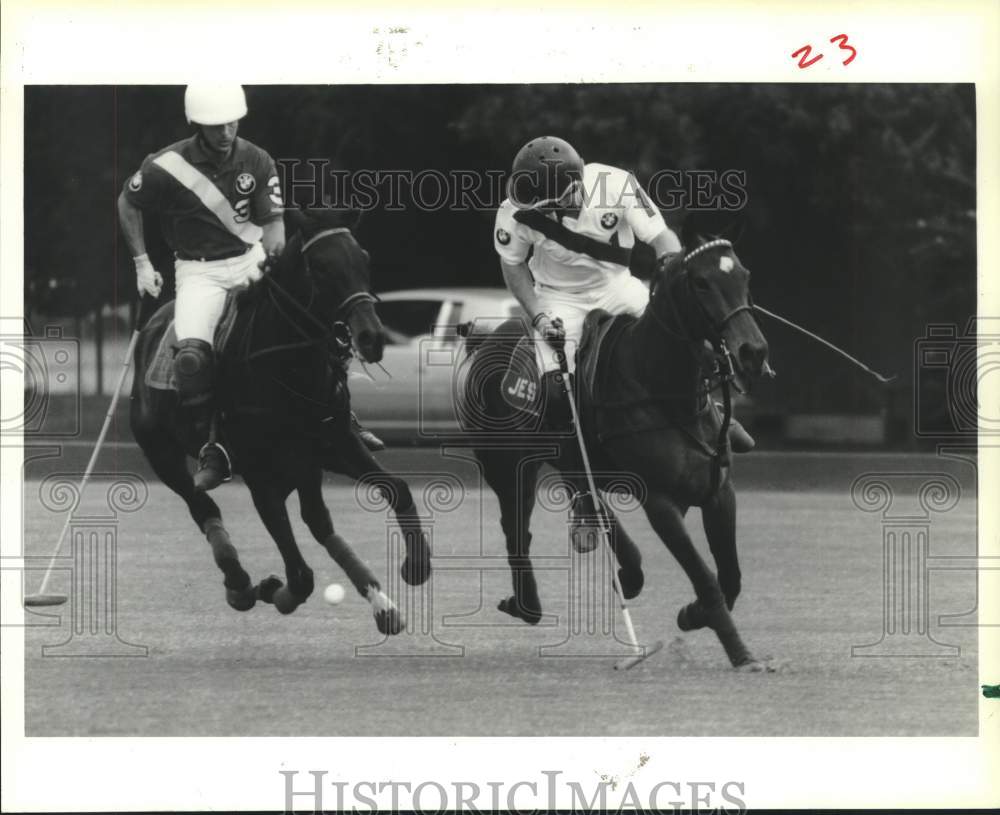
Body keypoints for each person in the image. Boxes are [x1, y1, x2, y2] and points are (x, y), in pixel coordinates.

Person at [493, 135, 754, 550]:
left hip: (617, 287)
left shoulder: (615, 184)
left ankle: (717, 416)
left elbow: (661, 236)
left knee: (681, 338)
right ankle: (581, 490)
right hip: (559, 299)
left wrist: (671, 265)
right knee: (554, 393)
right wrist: (539, 316)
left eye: (551, 202)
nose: (544, 209)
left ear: (575, 185)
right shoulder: (515, 210)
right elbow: (513, 268)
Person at [118, 83, 381, 492]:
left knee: (317, 319)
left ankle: (342, 419)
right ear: (198, 125)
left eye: (232, 123)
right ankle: (212, 447)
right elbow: (128, 201)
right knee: (192, 358)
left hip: (248, 258)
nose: (226, 133)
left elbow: (273, 220)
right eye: (217, 126)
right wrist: (141, 262)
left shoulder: (256, 159)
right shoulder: (165, 165)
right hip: (198, 271)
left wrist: (274, 251)